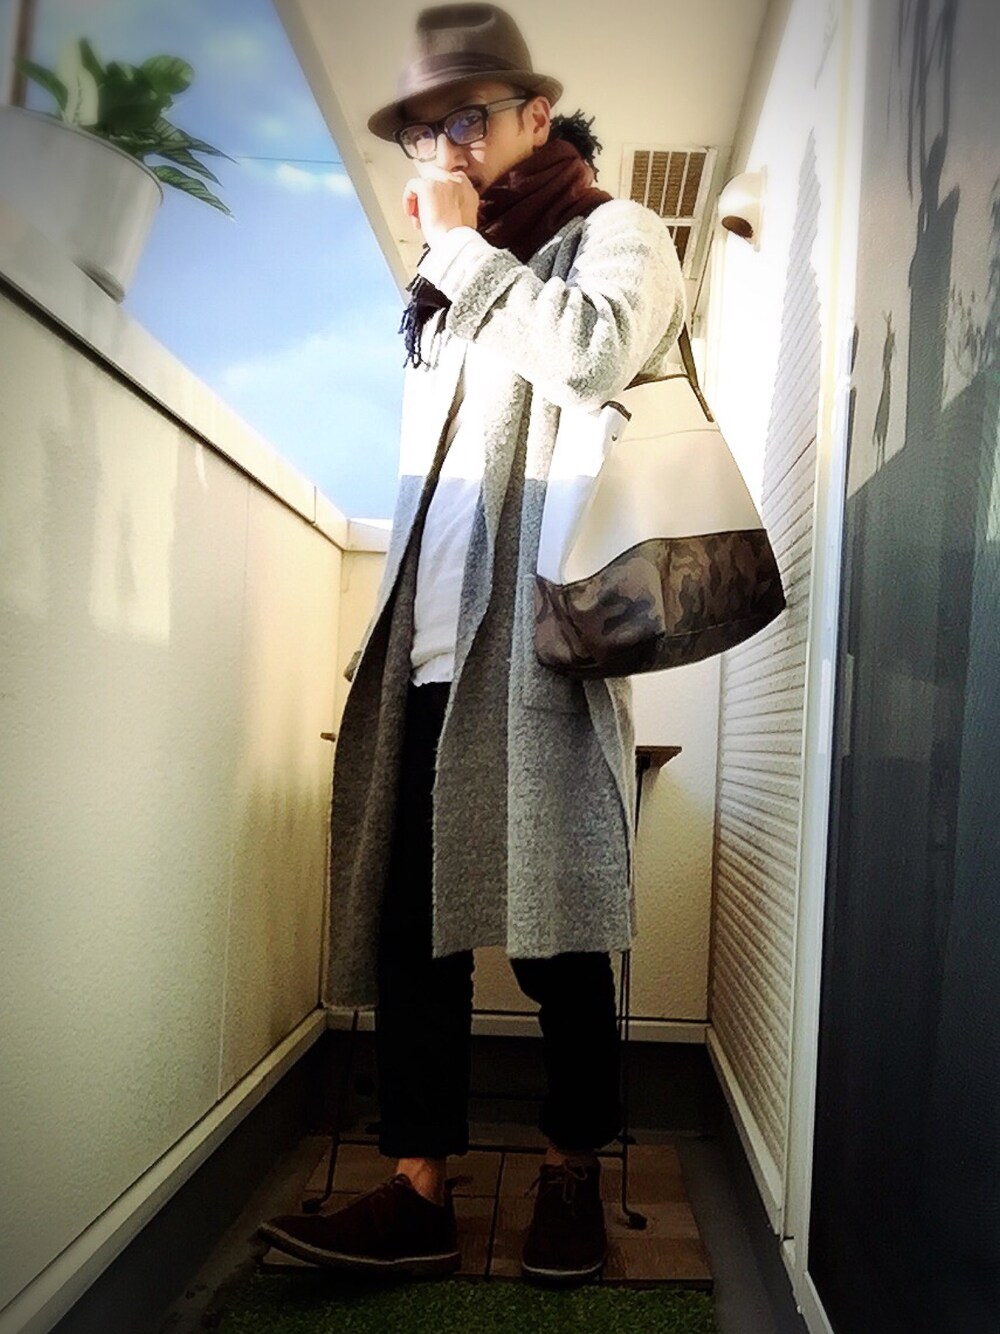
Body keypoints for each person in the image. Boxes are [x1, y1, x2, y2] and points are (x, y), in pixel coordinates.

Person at [258, 2, 686, 1284]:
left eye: (467, 119)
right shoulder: (452, 285)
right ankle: (418, 1189)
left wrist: (458, 248)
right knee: (414, 935)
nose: (444, 147)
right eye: (423, 129)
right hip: (427, 656)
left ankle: (568, 1173)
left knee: (559, 930)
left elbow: (593, 351)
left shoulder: (615, 232)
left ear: (534, 115)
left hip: (537, 647)